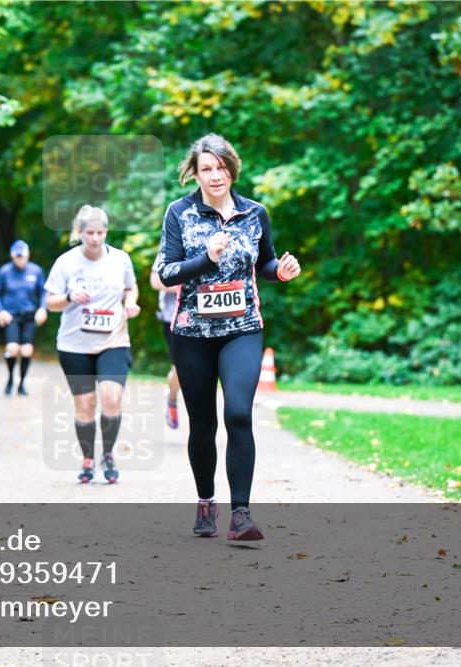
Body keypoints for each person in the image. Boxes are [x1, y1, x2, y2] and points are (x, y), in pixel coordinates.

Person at [156, 133, 301, 540]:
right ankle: (206, 501)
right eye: (206, 169)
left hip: (242, 329)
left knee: (238, 414)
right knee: (203, 425)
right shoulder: (180, 213)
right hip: (193, 334)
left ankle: (241, 515)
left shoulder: (254, 213)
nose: (215, 175)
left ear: (232, 169)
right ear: (195, 174)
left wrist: (279, 272)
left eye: (221, 167)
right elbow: (166, 273)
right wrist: (206, 258)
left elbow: (265, 262)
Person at [45, 205, 140, 484]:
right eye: (90, 233)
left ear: (106, 232)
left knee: (111, 398)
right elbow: (50, 302)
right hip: (74, 344)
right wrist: (69, 297)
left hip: (114, 340)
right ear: (80, 233)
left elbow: (130, 287)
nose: (95, 238)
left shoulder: (120, 259)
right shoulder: (66, 262)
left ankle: (108, 454)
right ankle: (88, 458)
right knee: (85, 405)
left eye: (100, 233)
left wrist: (130, 303)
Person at [0, 241, 47, 395]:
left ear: (28, 255)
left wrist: (42, 308)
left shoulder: (36, 271)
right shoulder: (4, 272)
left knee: (27, 350)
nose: (20, 259)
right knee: (12, 349)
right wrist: (0, 311)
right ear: (12, 256)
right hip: (11, 315)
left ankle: (22, 384)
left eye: (22, 256)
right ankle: (10, 378)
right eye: (17, 257)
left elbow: (44, 292)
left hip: (29, 315)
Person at [150, 267, 181, 429]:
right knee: (180, 368)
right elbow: (155, 281)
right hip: (174, 318)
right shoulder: (167, 249)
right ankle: (172, 398)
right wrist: (190, 286)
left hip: (207, 316)